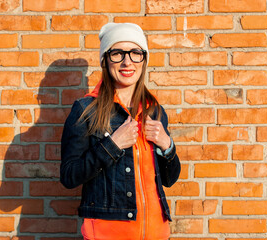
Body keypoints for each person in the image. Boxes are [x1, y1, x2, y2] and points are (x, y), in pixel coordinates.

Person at [60, 22, 181, 240]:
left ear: (144, 60)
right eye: (117, 53)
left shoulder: (155, 111)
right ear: (105, 60)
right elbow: (69, 176)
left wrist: (167, 145)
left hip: (157, 234)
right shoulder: (85, 110)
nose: (127, 61)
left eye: (136, 53)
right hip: (107, 235)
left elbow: (169, 179)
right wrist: (111, 146)